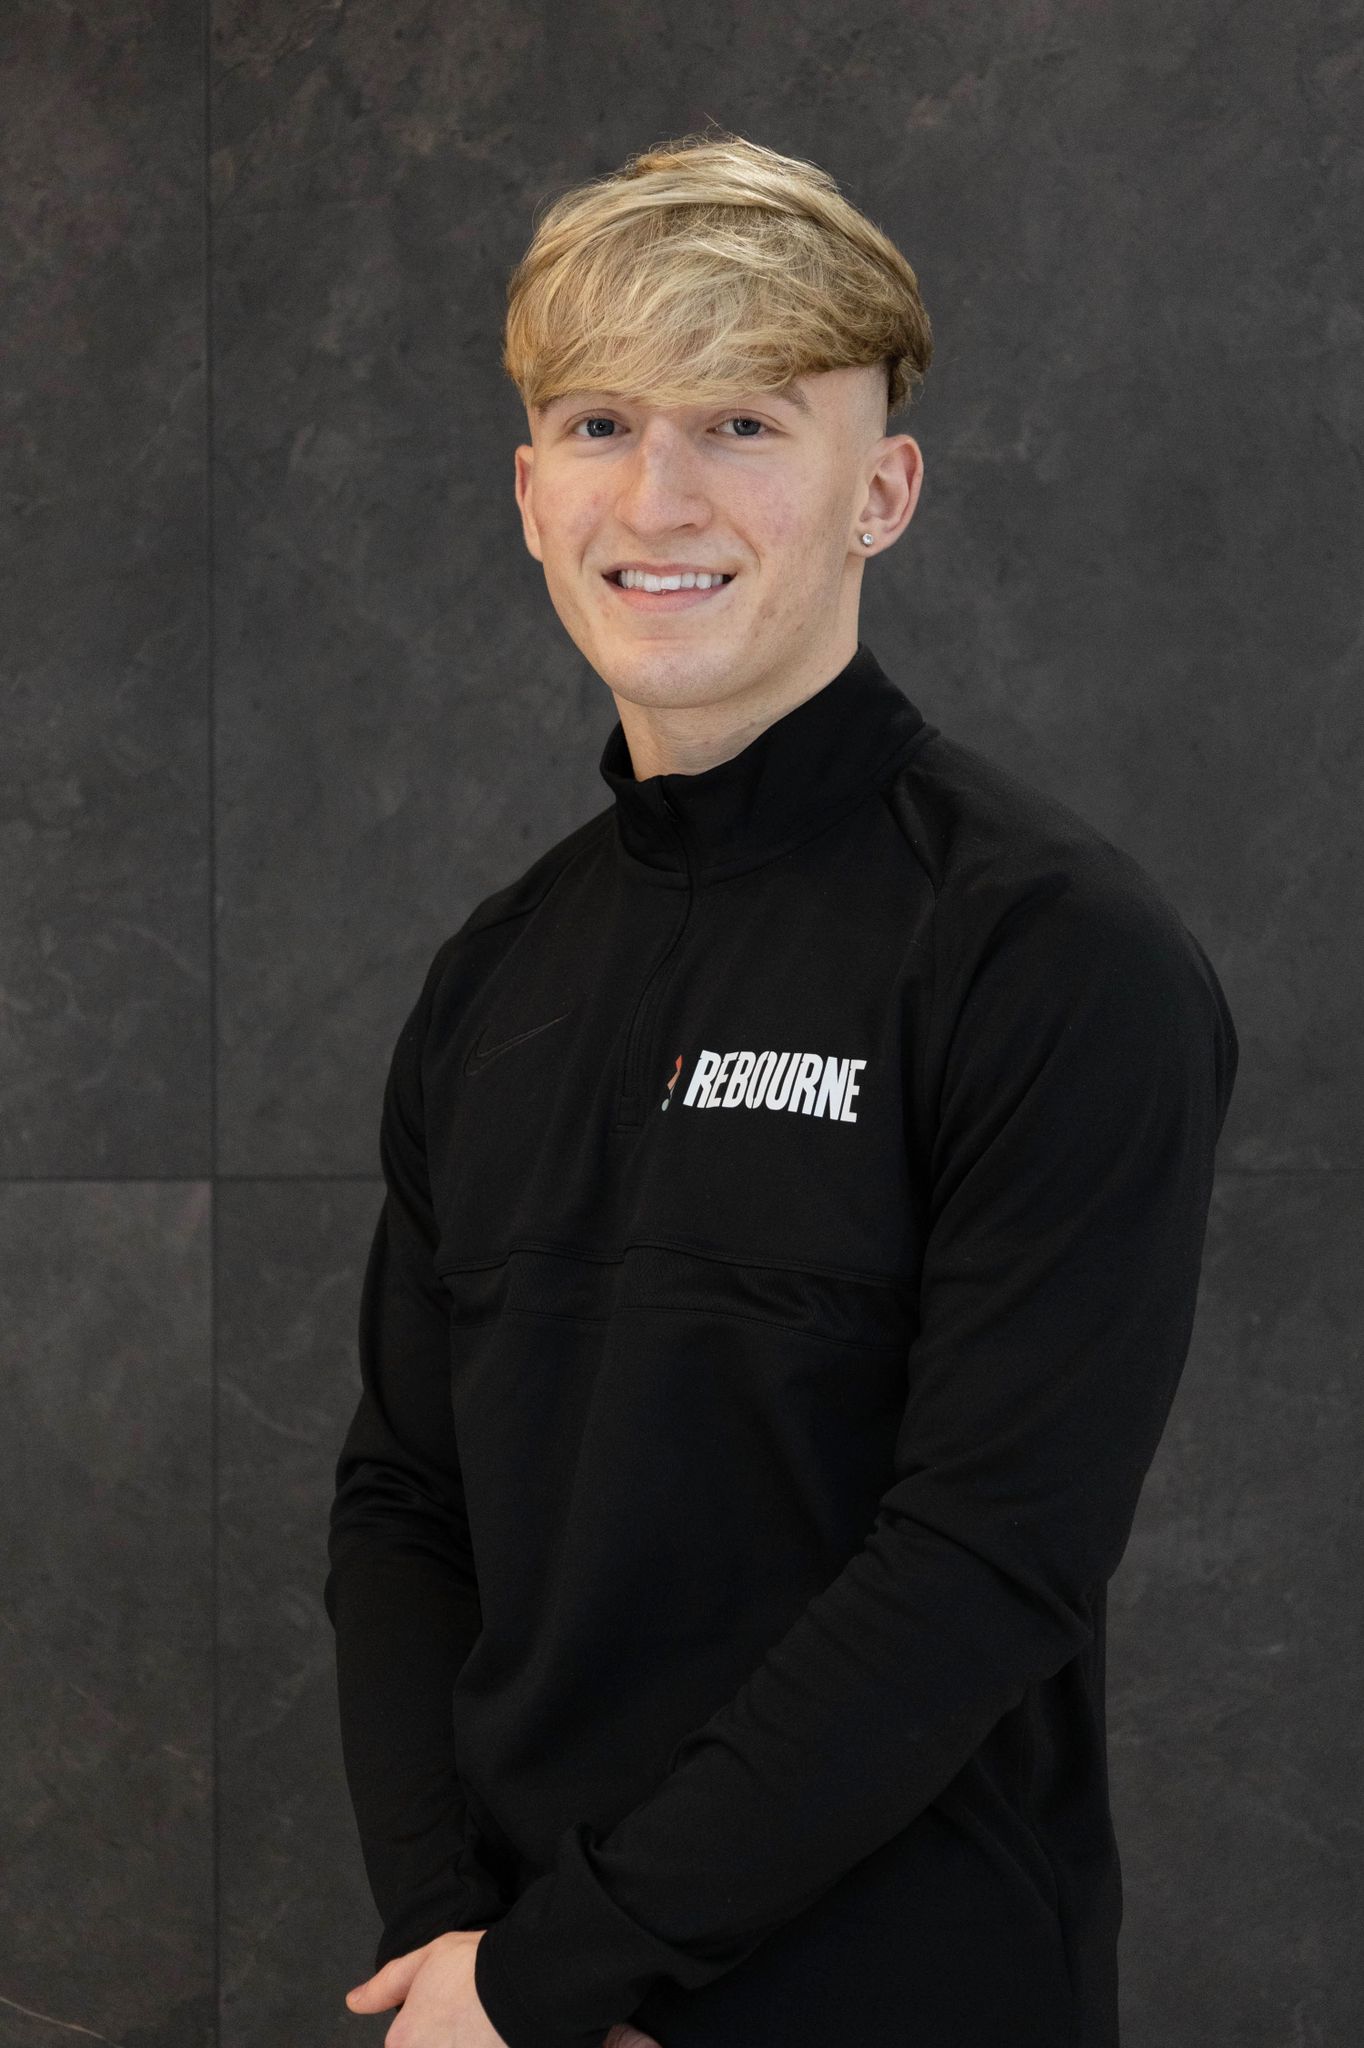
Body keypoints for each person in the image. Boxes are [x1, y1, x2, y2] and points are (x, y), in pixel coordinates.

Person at [325, 131, 1238, 2048]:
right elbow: (405, 1497)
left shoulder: (1049, 950)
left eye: (743, 423)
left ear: (879, 490)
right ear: (529, 493)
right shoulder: (494, 975)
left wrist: (572, 1968)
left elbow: (986, 1559)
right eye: (599, 424)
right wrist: (455, 1943)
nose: (658, 496)